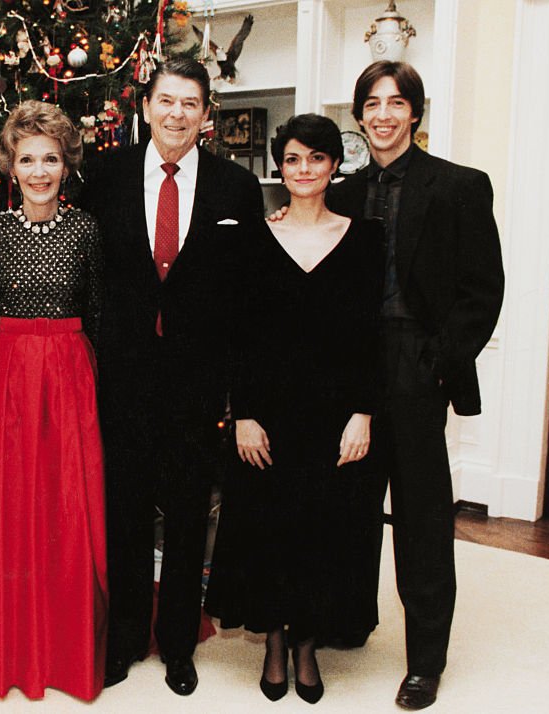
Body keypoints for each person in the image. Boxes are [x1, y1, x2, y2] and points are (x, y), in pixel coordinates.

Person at [79, 58, 264, 696]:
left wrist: (238, 390)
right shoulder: (101, 176)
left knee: (189, 514)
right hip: (123, 376)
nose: (177, 113)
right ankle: (128, 637)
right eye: (166, 100)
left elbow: (245, 295)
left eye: (191, 103)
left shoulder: (235, 188)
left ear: (207, 115)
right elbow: (73, 257)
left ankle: (180, 642)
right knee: (125, 509)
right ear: (146, 106)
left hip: (197, 381)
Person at [326, 62, 504, 710]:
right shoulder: (340, 194)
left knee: (422, 520)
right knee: (349, 503)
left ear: (415, 113)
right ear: (359, 115)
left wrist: (437, 361)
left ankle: (425, 662)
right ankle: (348, 622)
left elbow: (483, 292)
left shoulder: (458, 186)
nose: (383, 115)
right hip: (353, 367)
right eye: (371, 104)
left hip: (417, 366)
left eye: (396, 103)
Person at [204, 113, 384, 704]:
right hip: (269, 417)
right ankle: (276, 645)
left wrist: (363, 412)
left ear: (335, 166)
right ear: (279, 169)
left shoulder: (366, 238)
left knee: (324, 533)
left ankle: (308, 647)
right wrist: (245, 414)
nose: (304, 170)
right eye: (293, 160)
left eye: (316, 158)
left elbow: (370, 337)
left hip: (335, 420)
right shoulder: (251, 239)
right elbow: (236, 335)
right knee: (269, 532)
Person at [0, 100, 106, 701]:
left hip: (67, 376)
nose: (39, 171)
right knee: (6, 508)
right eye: (28, 159)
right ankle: (4, 646)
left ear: (66, 165)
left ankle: (63, 648)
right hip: (5, 379)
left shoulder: (86, 229)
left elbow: (100, 319)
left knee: (64, 505)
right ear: (10, 166)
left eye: (51, 159)